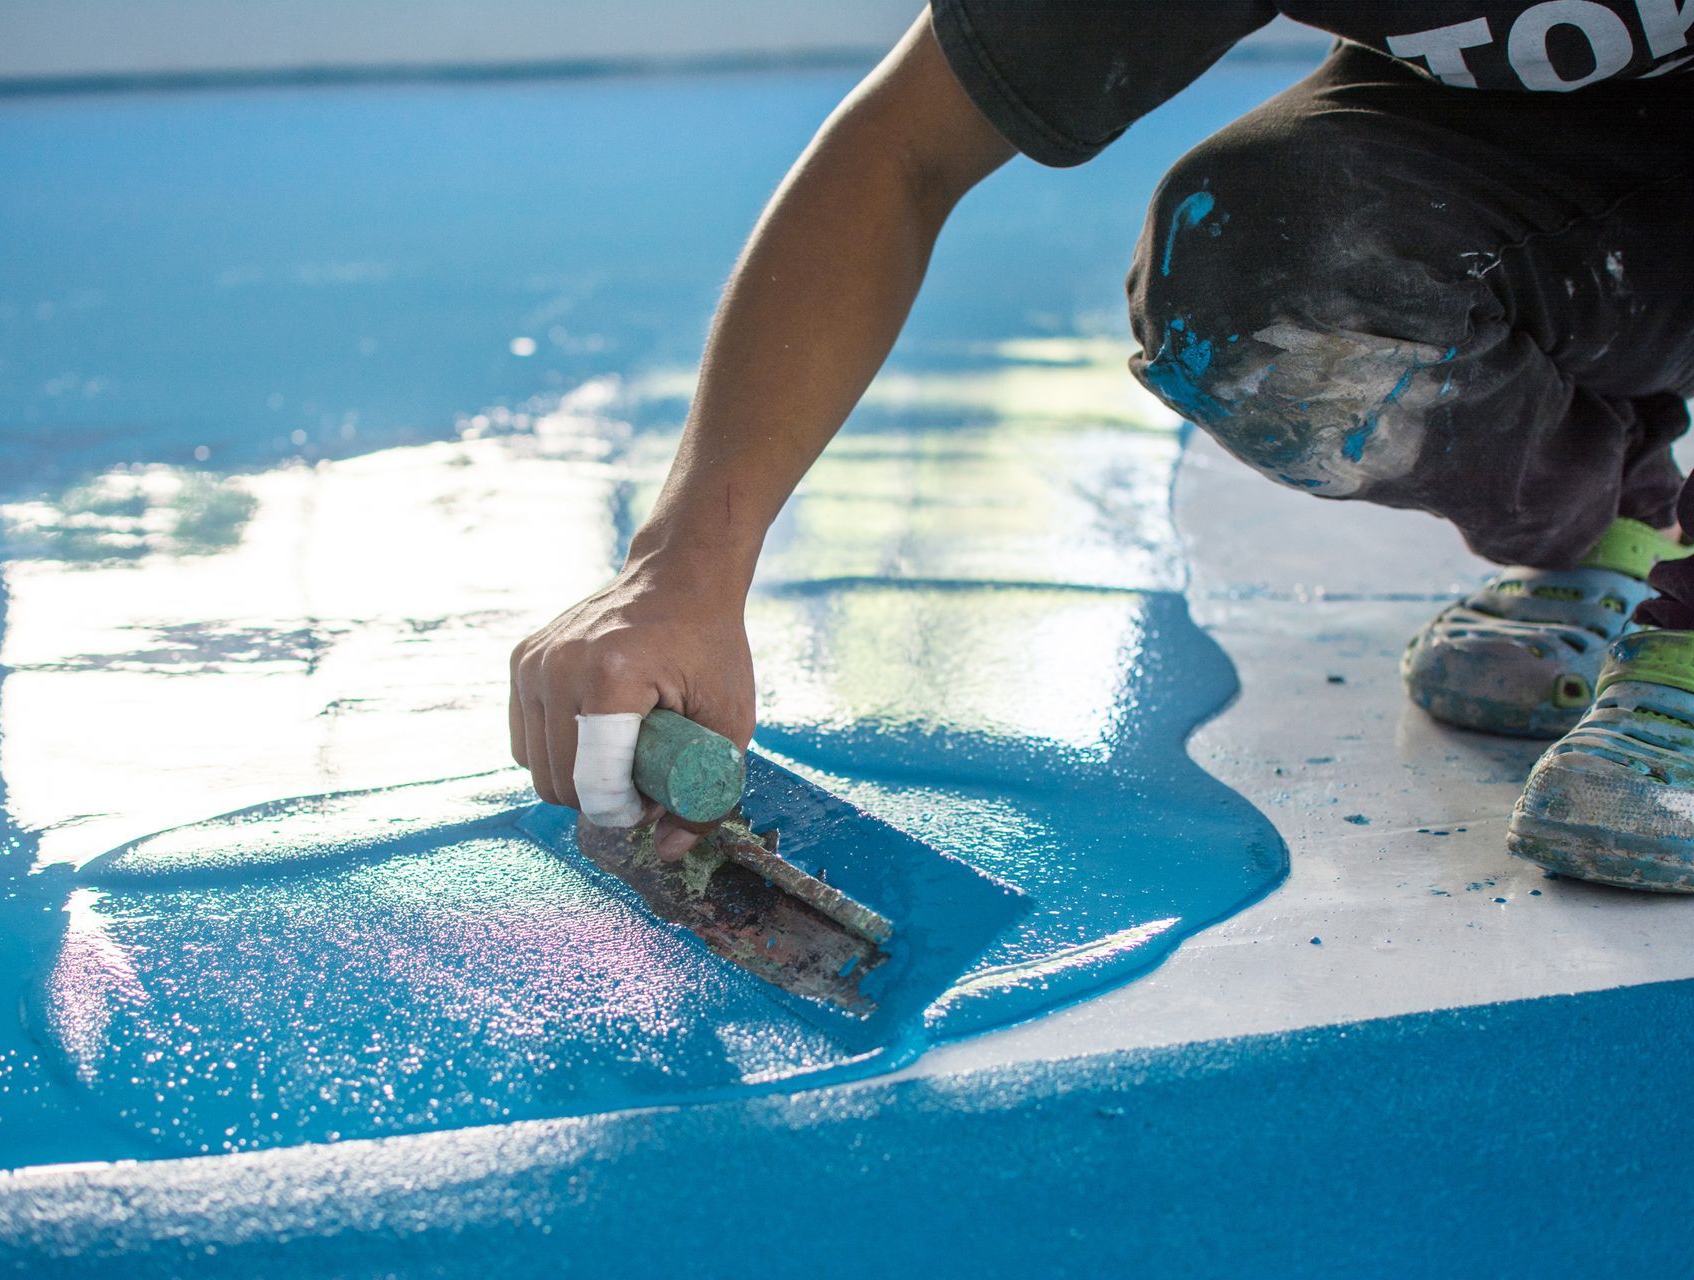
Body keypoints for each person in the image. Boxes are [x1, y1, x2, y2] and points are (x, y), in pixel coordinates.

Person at [509, 3, 1694, 888]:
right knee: (1253, 273)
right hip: (1566, 163)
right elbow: (904, 151)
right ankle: (1615, 520)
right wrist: (681, 570)